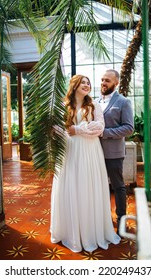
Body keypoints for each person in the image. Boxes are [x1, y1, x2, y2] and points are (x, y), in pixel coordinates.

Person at [50, 74, 121, 252]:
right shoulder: (64, 105)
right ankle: (71, 231)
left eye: (89, 83)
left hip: (90, 151)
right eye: (83, 82)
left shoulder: (94, 105)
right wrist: (69, 130)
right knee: (72, 186)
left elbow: (100, 127)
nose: (87, 85)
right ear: (74, 85)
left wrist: (78, 130)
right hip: (70, 150)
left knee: (88, 186)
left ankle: (91, 230)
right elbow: (56, 128)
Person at [98, 69, 134, 234]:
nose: (103, 83)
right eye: (102, 80)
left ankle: (121, 218)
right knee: (99, 186)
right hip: (95, 152)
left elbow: (129, 128)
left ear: (116, 83)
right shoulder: (95, 101)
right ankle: (103, 217)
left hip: (113, 153)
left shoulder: (123, 102)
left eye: (107, 81)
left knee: (118, 186)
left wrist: (105, 134)